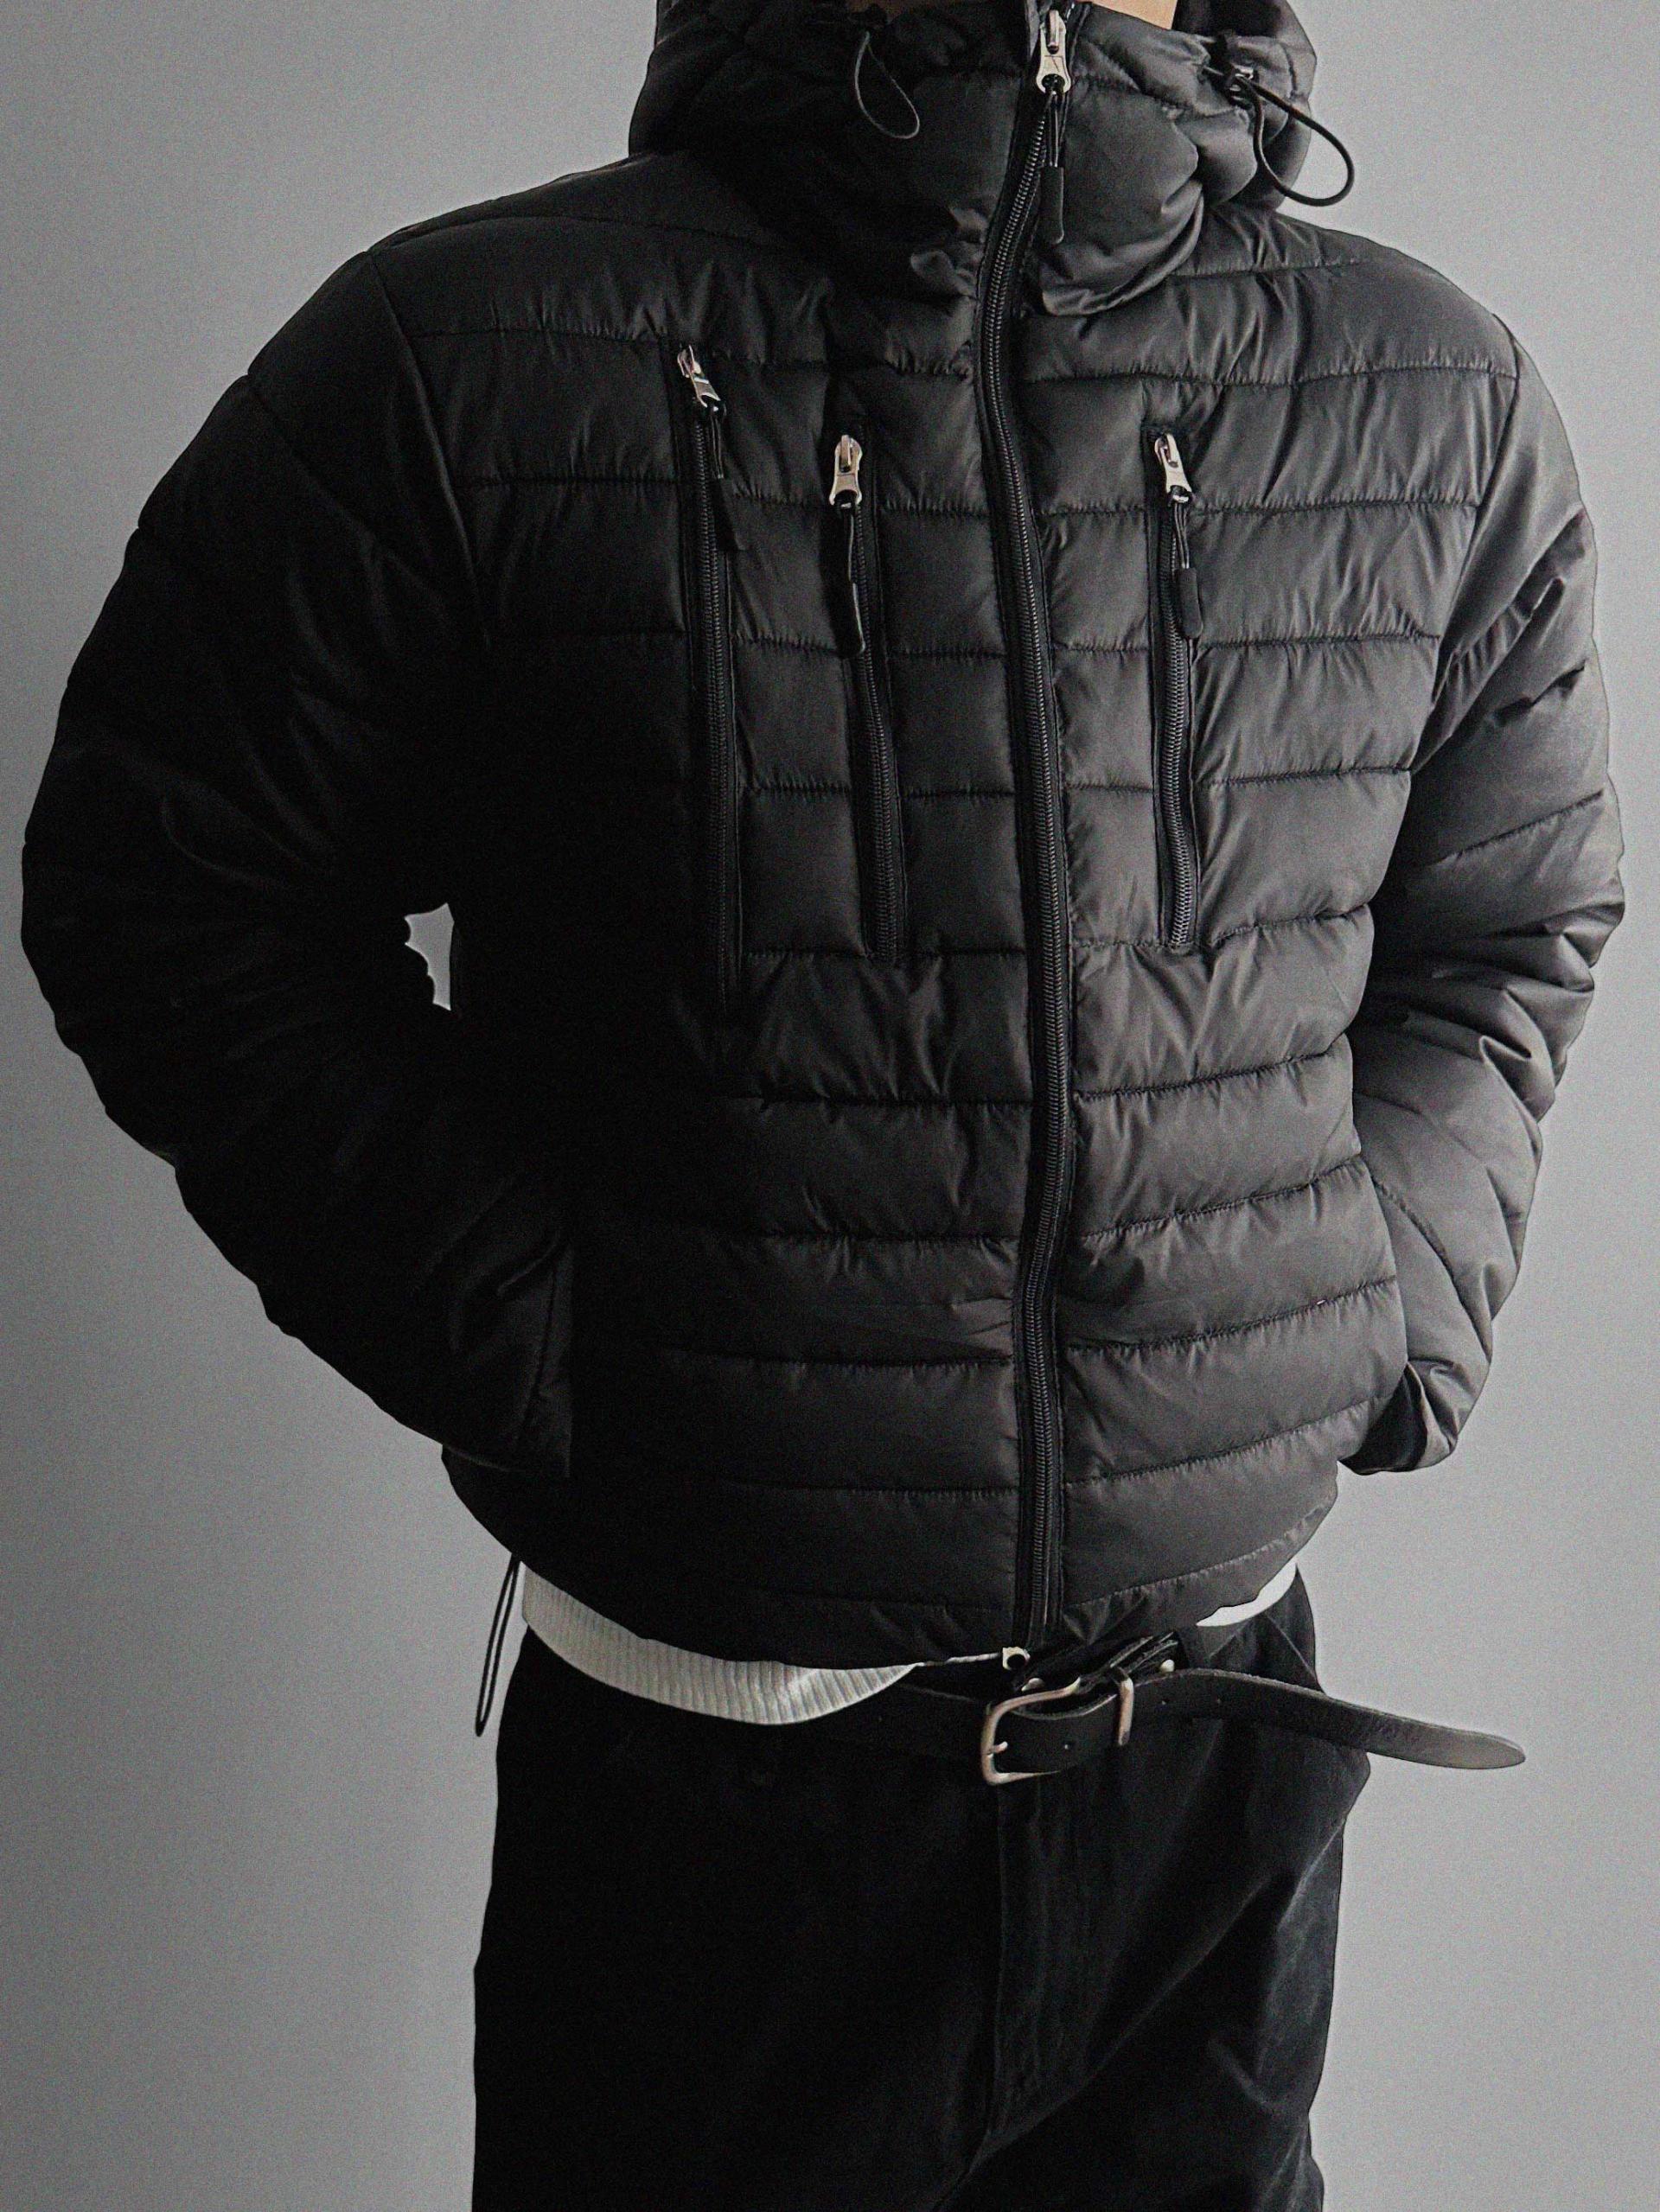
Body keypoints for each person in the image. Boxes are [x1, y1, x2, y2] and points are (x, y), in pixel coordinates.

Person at [22, 0, 1623, 2204]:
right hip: (719, 1819)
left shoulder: (1432, 392)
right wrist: (552, 1339)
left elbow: (1511, 917)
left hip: (1216, 1785)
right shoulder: (469, 355)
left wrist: (1380, 1304)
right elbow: (168, 877)